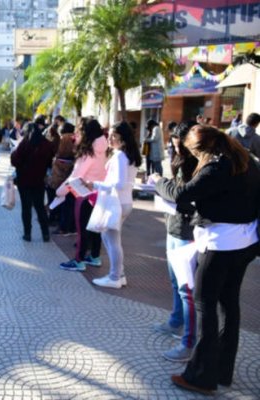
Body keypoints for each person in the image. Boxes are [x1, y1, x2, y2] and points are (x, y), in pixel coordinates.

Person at [153, 125, 260, 396]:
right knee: (229, 305)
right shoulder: (246, 160)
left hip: (220, 245)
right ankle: (223, 370)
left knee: (205, 304)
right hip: (246, 244)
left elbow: (181, 194)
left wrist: (157, 182)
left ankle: (202, 376)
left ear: (200, 149)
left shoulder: (216, 167)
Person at [152, 122, 198, 362]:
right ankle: (176, 321)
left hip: (188, 232)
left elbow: (182, 195)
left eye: (181, 146)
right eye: (174, 144)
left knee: (186, 288)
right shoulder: (181, 162)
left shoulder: (203, 167)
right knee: (174, 281)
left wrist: (160, 183)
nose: (176, 150)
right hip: (173, 225)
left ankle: (189, 341)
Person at [84, 121, 141, 288]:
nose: (109, 139)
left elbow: (119, 184)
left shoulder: (120, 157)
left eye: (113, 136)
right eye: (109, 135)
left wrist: (94, 184)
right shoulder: (125, 155)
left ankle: (115, 276)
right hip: (123, 202)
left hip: (117, 203)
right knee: (110, 238)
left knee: (112, 240)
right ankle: (118, 275)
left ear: (123, 140)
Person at [56, 117, 108, 272]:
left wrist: (60, 192)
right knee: (95, 228)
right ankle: (94, 256)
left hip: (84, 193)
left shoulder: (88, 153)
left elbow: (76, 176)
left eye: (79, 131)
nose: (76, 134)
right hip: (98, 192)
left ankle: (78, 260)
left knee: (82, 228)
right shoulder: (103, 149)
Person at [11, 115, 56, 242]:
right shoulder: (47, 144)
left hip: (24, 180)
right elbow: (49, 163)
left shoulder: (25, 143)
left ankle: (27, 234)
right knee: (40, 207)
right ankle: (45, 234)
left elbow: (15, 161)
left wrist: (15, 151)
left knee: (26, 208)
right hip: (39, 180)